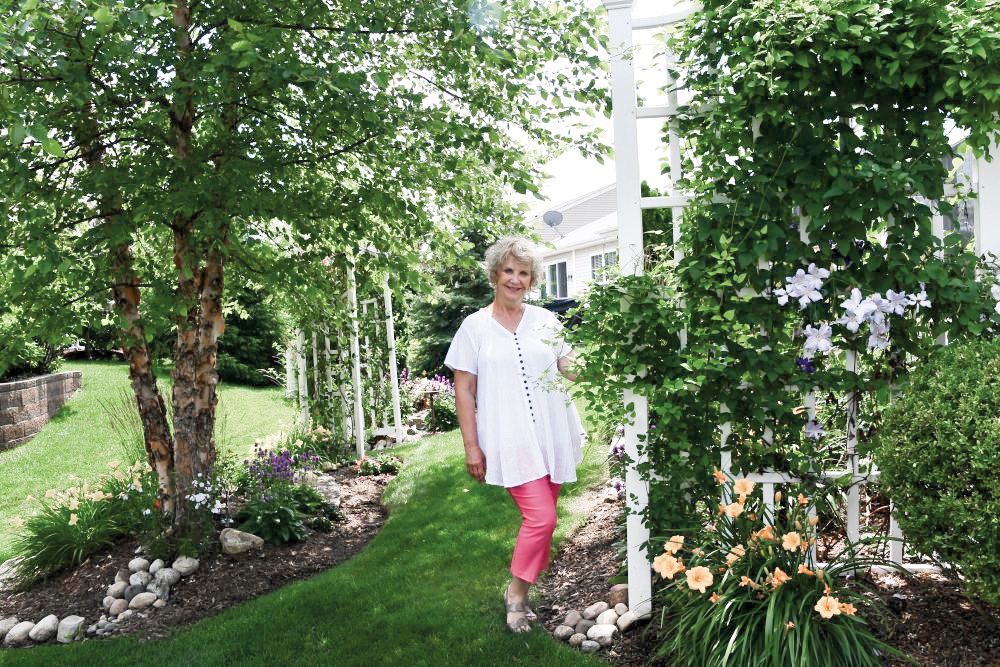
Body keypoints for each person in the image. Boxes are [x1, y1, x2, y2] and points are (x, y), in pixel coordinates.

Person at [444, 236, 585, 633]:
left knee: (547, 519)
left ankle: (521, 587)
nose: (516, 279)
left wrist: (609, 358)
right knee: (540, 518)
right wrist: (471, 446)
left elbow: (569, 366)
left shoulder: (546, 320)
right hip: (510, 438)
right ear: (494, 274)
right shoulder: (474, 327)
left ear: (531, 279)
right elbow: (464, 388)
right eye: (509, 270)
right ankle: (517, 595)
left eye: (524, 273)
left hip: (554, 431)